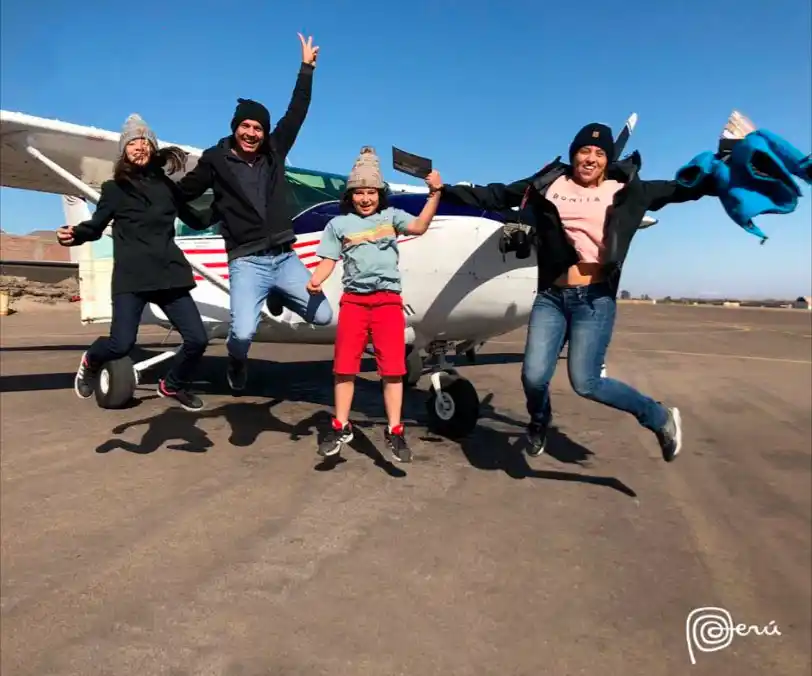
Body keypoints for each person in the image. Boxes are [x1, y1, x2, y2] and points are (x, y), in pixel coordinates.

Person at [439, 122, 719, 462]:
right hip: (551, 298)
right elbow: (496, 195)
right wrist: (445, 190)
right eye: (584, 151)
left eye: (599, 153)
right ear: (573, 154)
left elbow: (683, 189)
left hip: (594, 299)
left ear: (608, 160)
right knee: (533, 376)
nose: (590, 158)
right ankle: (539, 422)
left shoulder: (628, 189)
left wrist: (725, 170)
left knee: (586, 382)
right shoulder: (547, 184)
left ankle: (660, 418)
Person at [174, 33, 332, 393]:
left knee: (324, 316)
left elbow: (296, 114)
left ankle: (277, 292)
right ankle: (237, 360)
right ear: (235, 128)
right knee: (243, 331)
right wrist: (155, 185)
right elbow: (184, 192)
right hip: (246, 261)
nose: (251, 132)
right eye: (245, 126)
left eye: (258, 127)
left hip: (283, 256)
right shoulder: (215, 160)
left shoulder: (274, 151)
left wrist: (306, 69)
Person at [57, 113, 211, 411]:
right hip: (132, 278)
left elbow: (197, 218)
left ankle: (172, 385)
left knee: (197, 340)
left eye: (144, 141)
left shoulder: (167, 187)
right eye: (133, 143)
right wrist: (75, 235)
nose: (139, 146)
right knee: (120, 345)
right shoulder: (115, 189)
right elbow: (96, 225)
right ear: (124, 151)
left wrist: (229, 209)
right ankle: (91, 359)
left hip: (170, 275)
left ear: (153, 147)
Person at [306, 147, 444, 463]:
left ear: (380, 193)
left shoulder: (390, 218)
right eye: (359, 192)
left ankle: (394, 431)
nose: (365, 198)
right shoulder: (338, 226)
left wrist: (434, 193)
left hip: (387, 303)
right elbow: (327, 261)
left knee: (393, 370)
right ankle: (341, 425)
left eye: (371, 191)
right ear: (350, 195)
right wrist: (315, 279)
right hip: (354, 303)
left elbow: (420, 226)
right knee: (344, 367)